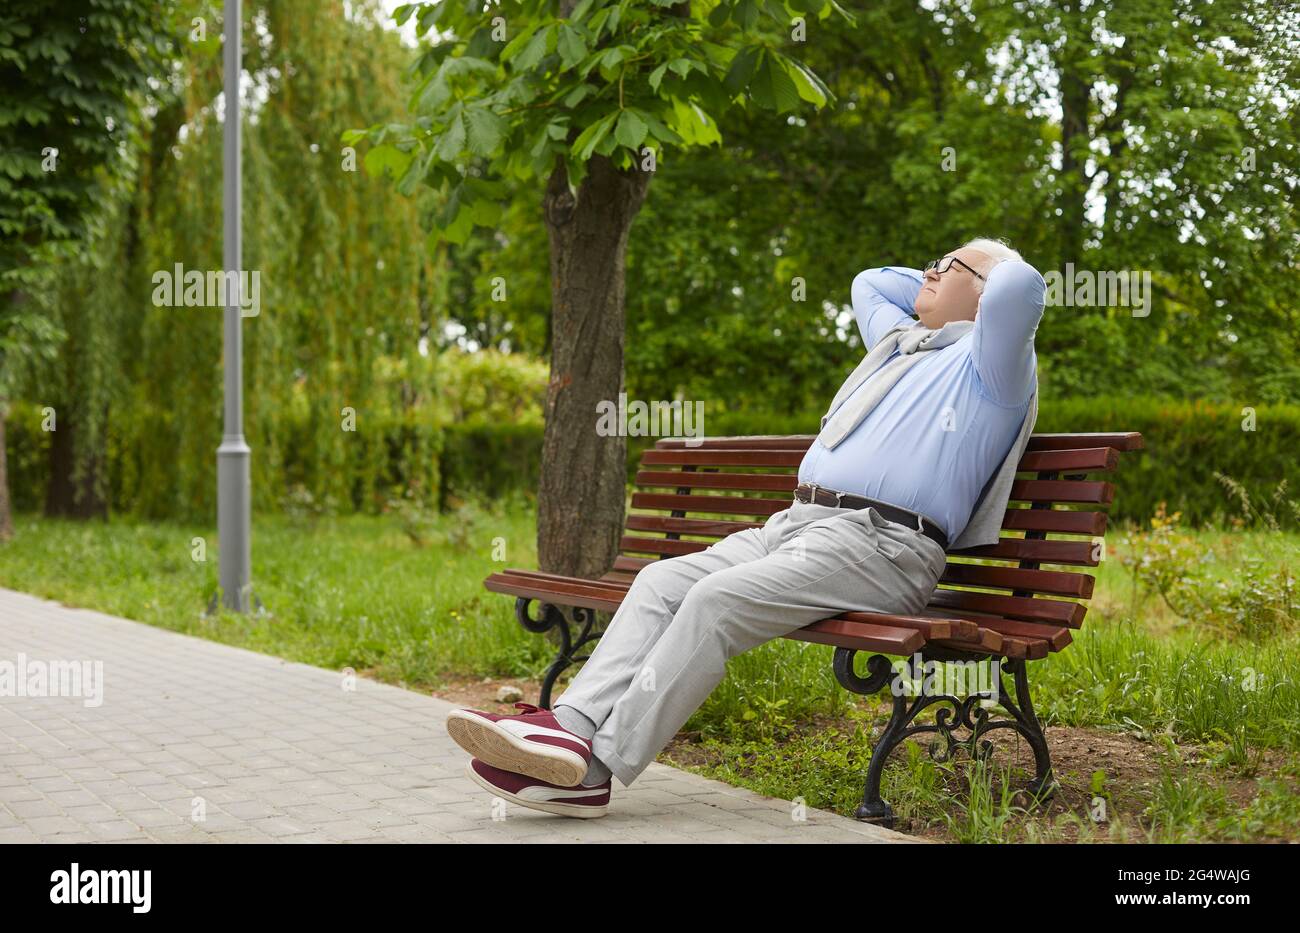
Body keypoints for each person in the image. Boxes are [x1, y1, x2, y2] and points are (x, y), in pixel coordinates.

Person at [445, 238, 1047, 818]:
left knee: (714, 602)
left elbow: (1022, 286)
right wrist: (953, 272)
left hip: (880, 545)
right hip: (796, 524)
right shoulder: (901, 343)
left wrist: (983, 270)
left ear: (986, 292)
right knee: (661, 581)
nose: (930, 272)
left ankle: (595, 772)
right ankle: (570, 730)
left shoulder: (992, 368)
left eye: (949, 265)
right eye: (930, 264)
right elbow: (869, 281)